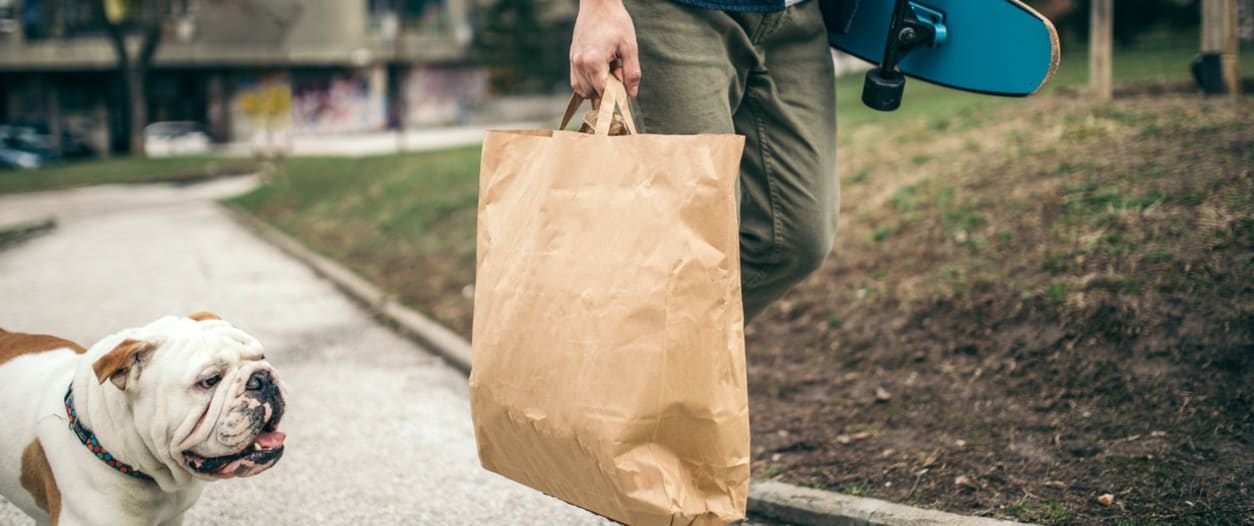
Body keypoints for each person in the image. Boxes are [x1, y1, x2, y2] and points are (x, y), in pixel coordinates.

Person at [569, 0, 840, 323]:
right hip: (674, 13)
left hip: (796, 14)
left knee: (796, 239)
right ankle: (637, 361)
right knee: (698, 250)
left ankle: (634, 352)